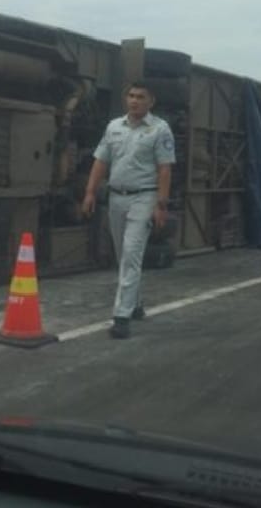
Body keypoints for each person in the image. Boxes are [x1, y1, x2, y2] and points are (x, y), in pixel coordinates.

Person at [82, 82, 175, 339]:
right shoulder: (114, 127)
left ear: (150, 101)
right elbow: (101, 160)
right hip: (116, 198)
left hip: (144, 198)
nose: (134, 101)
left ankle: (121, 317)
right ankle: (135, 303)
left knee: (132, 253)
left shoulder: (159, 129)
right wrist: (90, 192)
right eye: (131, 96)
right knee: (123, 254)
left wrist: (161, 205)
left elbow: (165, 169)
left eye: (140, 97)